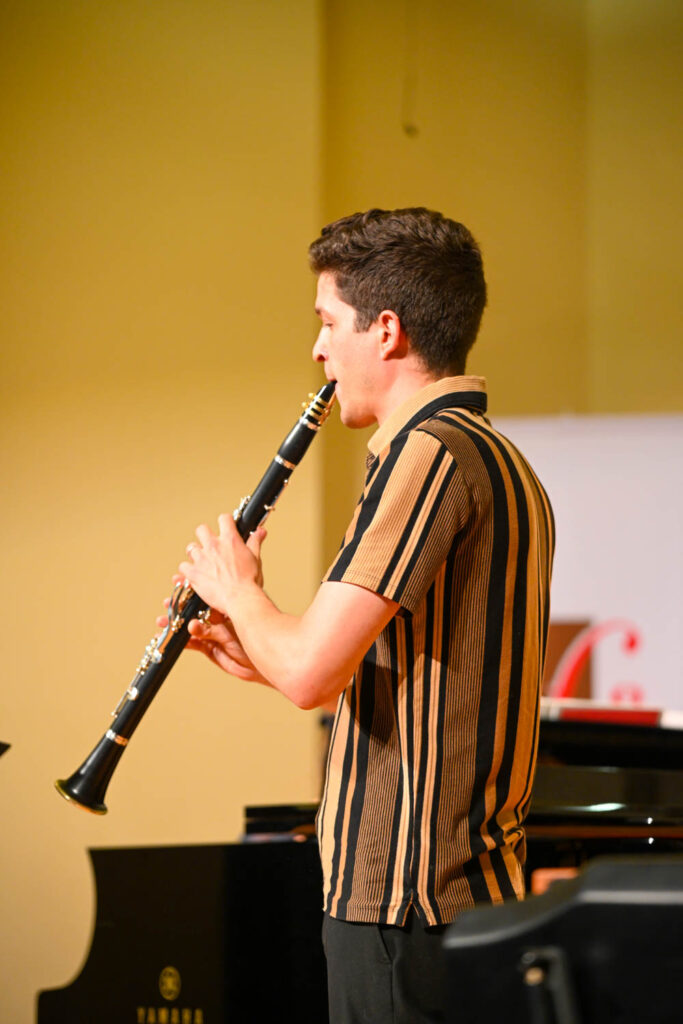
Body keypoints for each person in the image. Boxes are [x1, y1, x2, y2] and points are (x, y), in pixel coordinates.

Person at [173, 208, 554, 1023]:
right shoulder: (496, 457)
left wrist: (237, 587)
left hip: (403, 899)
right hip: (447, 900)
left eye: (327, 321)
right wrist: (255, 645)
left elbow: (310, 675)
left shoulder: (429, 454)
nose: (318, 348)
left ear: (384, 330)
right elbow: (381, 673)